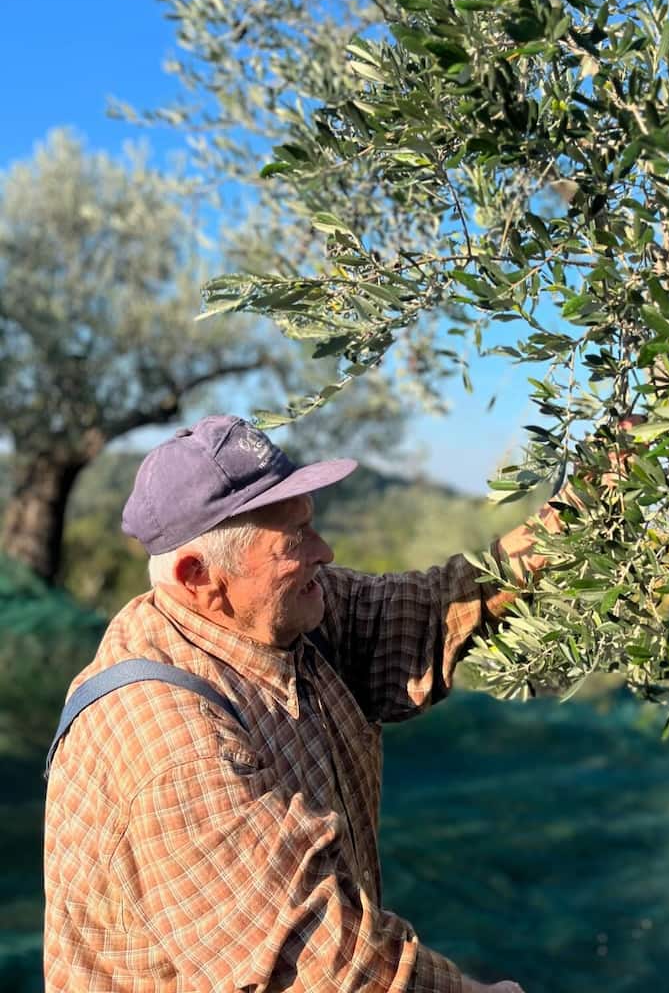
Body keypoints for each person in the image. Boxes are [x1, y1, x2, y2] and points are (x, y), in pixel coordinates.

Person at [44, 413, 566, 993]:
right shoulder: (172, 741)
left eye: (311, 525)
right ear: (200, 576)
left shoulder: (289, 618)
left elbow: (433, 608)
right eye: (295, 540)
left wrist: (574, 514)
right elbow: (321, 967)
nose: (325, 550)